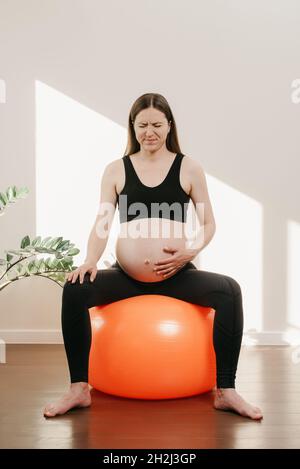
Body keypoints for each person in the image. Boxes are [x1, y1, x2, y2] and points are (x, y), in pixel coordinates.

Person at [43, 93, 263, 420]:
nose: (150, 131)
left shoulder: (188, 167)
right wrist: (90, 259)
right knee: (74, 290)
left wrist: (190, 250)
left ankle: (226, 391)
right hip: (126, 278)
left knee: (230, 291)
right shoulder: (116, 170)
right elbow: (103, 222)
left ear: (169, 126)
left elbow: (208, 223)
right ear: (132, 127)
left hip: (177, 276)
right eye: (142, 124)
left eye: (157, 124)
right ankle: (78, 389)